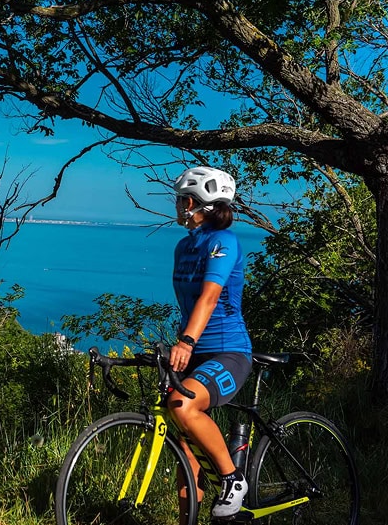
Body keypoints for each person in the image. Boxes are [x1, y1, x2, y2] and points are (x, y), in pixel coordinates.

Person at [167, 166, 253, 522]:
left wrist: (185, 340)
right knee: (183, 443)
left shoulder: (224, 241)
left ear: (191, 202)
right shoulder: (184, 246)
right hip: (196, 351)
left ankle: (233, 479)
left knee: (181, 405)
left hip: (229, 352)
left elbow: (209, 297)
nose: (175, 206)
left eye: (178, 200)